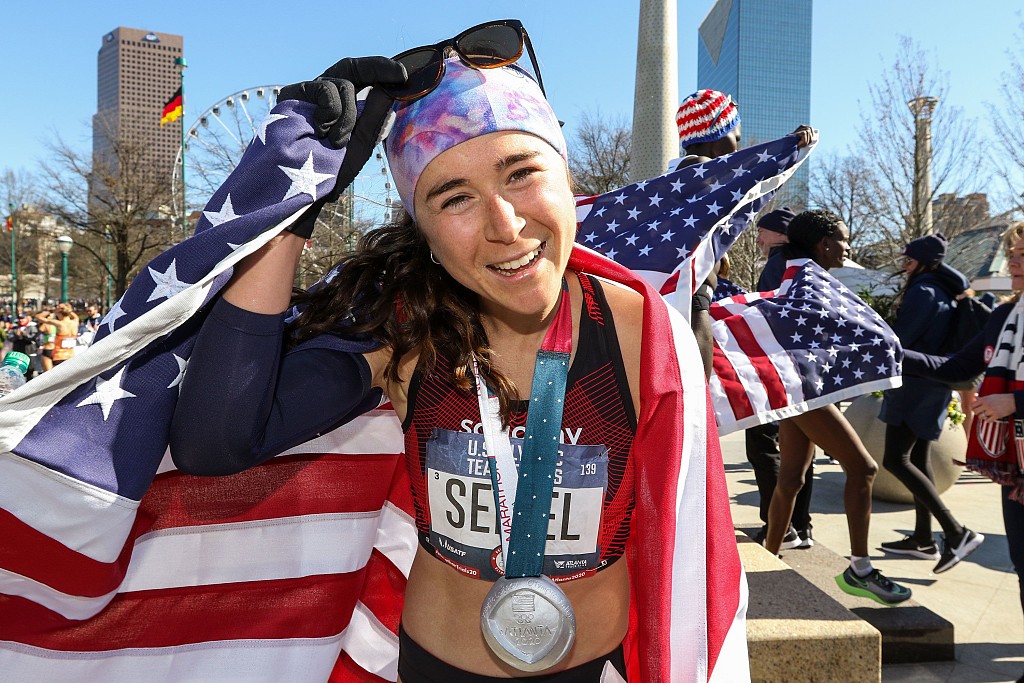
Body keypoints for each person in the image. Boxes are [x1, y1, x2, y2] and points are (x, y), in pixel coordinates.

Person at [169, 30, 744, 681]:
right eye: (455, 198)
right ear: (424, 230)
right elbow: (213, 441)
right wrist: (293, 208)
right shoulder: (405, 330)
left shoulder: (643, 329)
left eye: (521, 174)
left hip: (596, 664)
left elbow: (687, 536)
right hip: (437, 663)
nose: (506, 225)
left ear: (567, 178)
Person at [764, 209, 912, 605]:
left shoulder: (792, 273)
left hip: (795, 390)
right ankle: (860, 570)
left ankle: (768, 556)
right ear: (825, 243)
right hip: (804, 392)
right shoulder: (809, 279)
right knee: (864, 469)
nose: (847, 247)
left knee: (791, 479)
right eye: (843, 239)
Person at [903, 221, 1024, 680]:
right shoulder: (1005, 315)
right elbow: (957, 367)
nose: (1013, 261)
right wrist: (890, 353)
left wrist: (1016, 402)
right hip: (1017, 465)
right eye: (1013, 252)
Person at [878, 234, 984, 572]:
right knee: (917, 460)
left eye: (908, 260)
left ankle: (957, 532)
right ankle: (923, 539)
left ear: (923, 262)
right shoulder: (941, 290)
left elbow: (901, 339)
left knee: (895, 459)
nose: (904, 265)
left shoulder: (923, 291)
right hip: (933, 384)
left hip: (915, 386)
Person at [746, 207, 814, 549]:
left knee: (763, 446)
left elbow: (770, 317)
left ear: (781, 235)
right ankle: (801, 526)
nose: (758, 238)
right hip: (802, 371)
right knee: (800, 451)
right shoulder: (802, 264)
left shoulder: (778, 264)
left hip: (777, 370)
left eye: (763, 231)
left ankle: (779, 527)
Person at [671, 89, 743, 378]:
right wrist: (790, 148)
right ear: (717, 136)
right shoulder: (699, 167)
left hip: (689, 292)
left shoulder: (681, 171)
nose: (738, 147)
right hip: (694, 297)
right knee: (696, 384)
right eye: (736, 137)